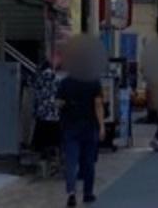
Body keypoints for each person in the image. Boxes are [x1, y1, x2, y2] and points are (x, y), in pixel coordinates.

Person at [56, 70, 105, 206]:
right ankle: (88, 194)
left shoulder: (65, 82)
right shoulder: (93, 81)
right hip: (89, 125)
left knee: (71, 161)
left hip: (70, 126)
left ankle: (71, 192)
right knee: (89, 161)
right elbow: (98, 105)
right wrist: (102, 126)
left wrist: (67, 104)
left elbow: (58, 103)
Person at [30, 59, 61, 177]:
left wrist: (34, 112)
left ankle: (43, 167)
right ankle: (54, 164)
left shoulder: (38, 78)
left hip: (42, 115)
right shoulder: (57, 79)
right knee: (55, 143)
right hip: (54, 115)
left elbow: (35, 96)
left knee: (41, 144)